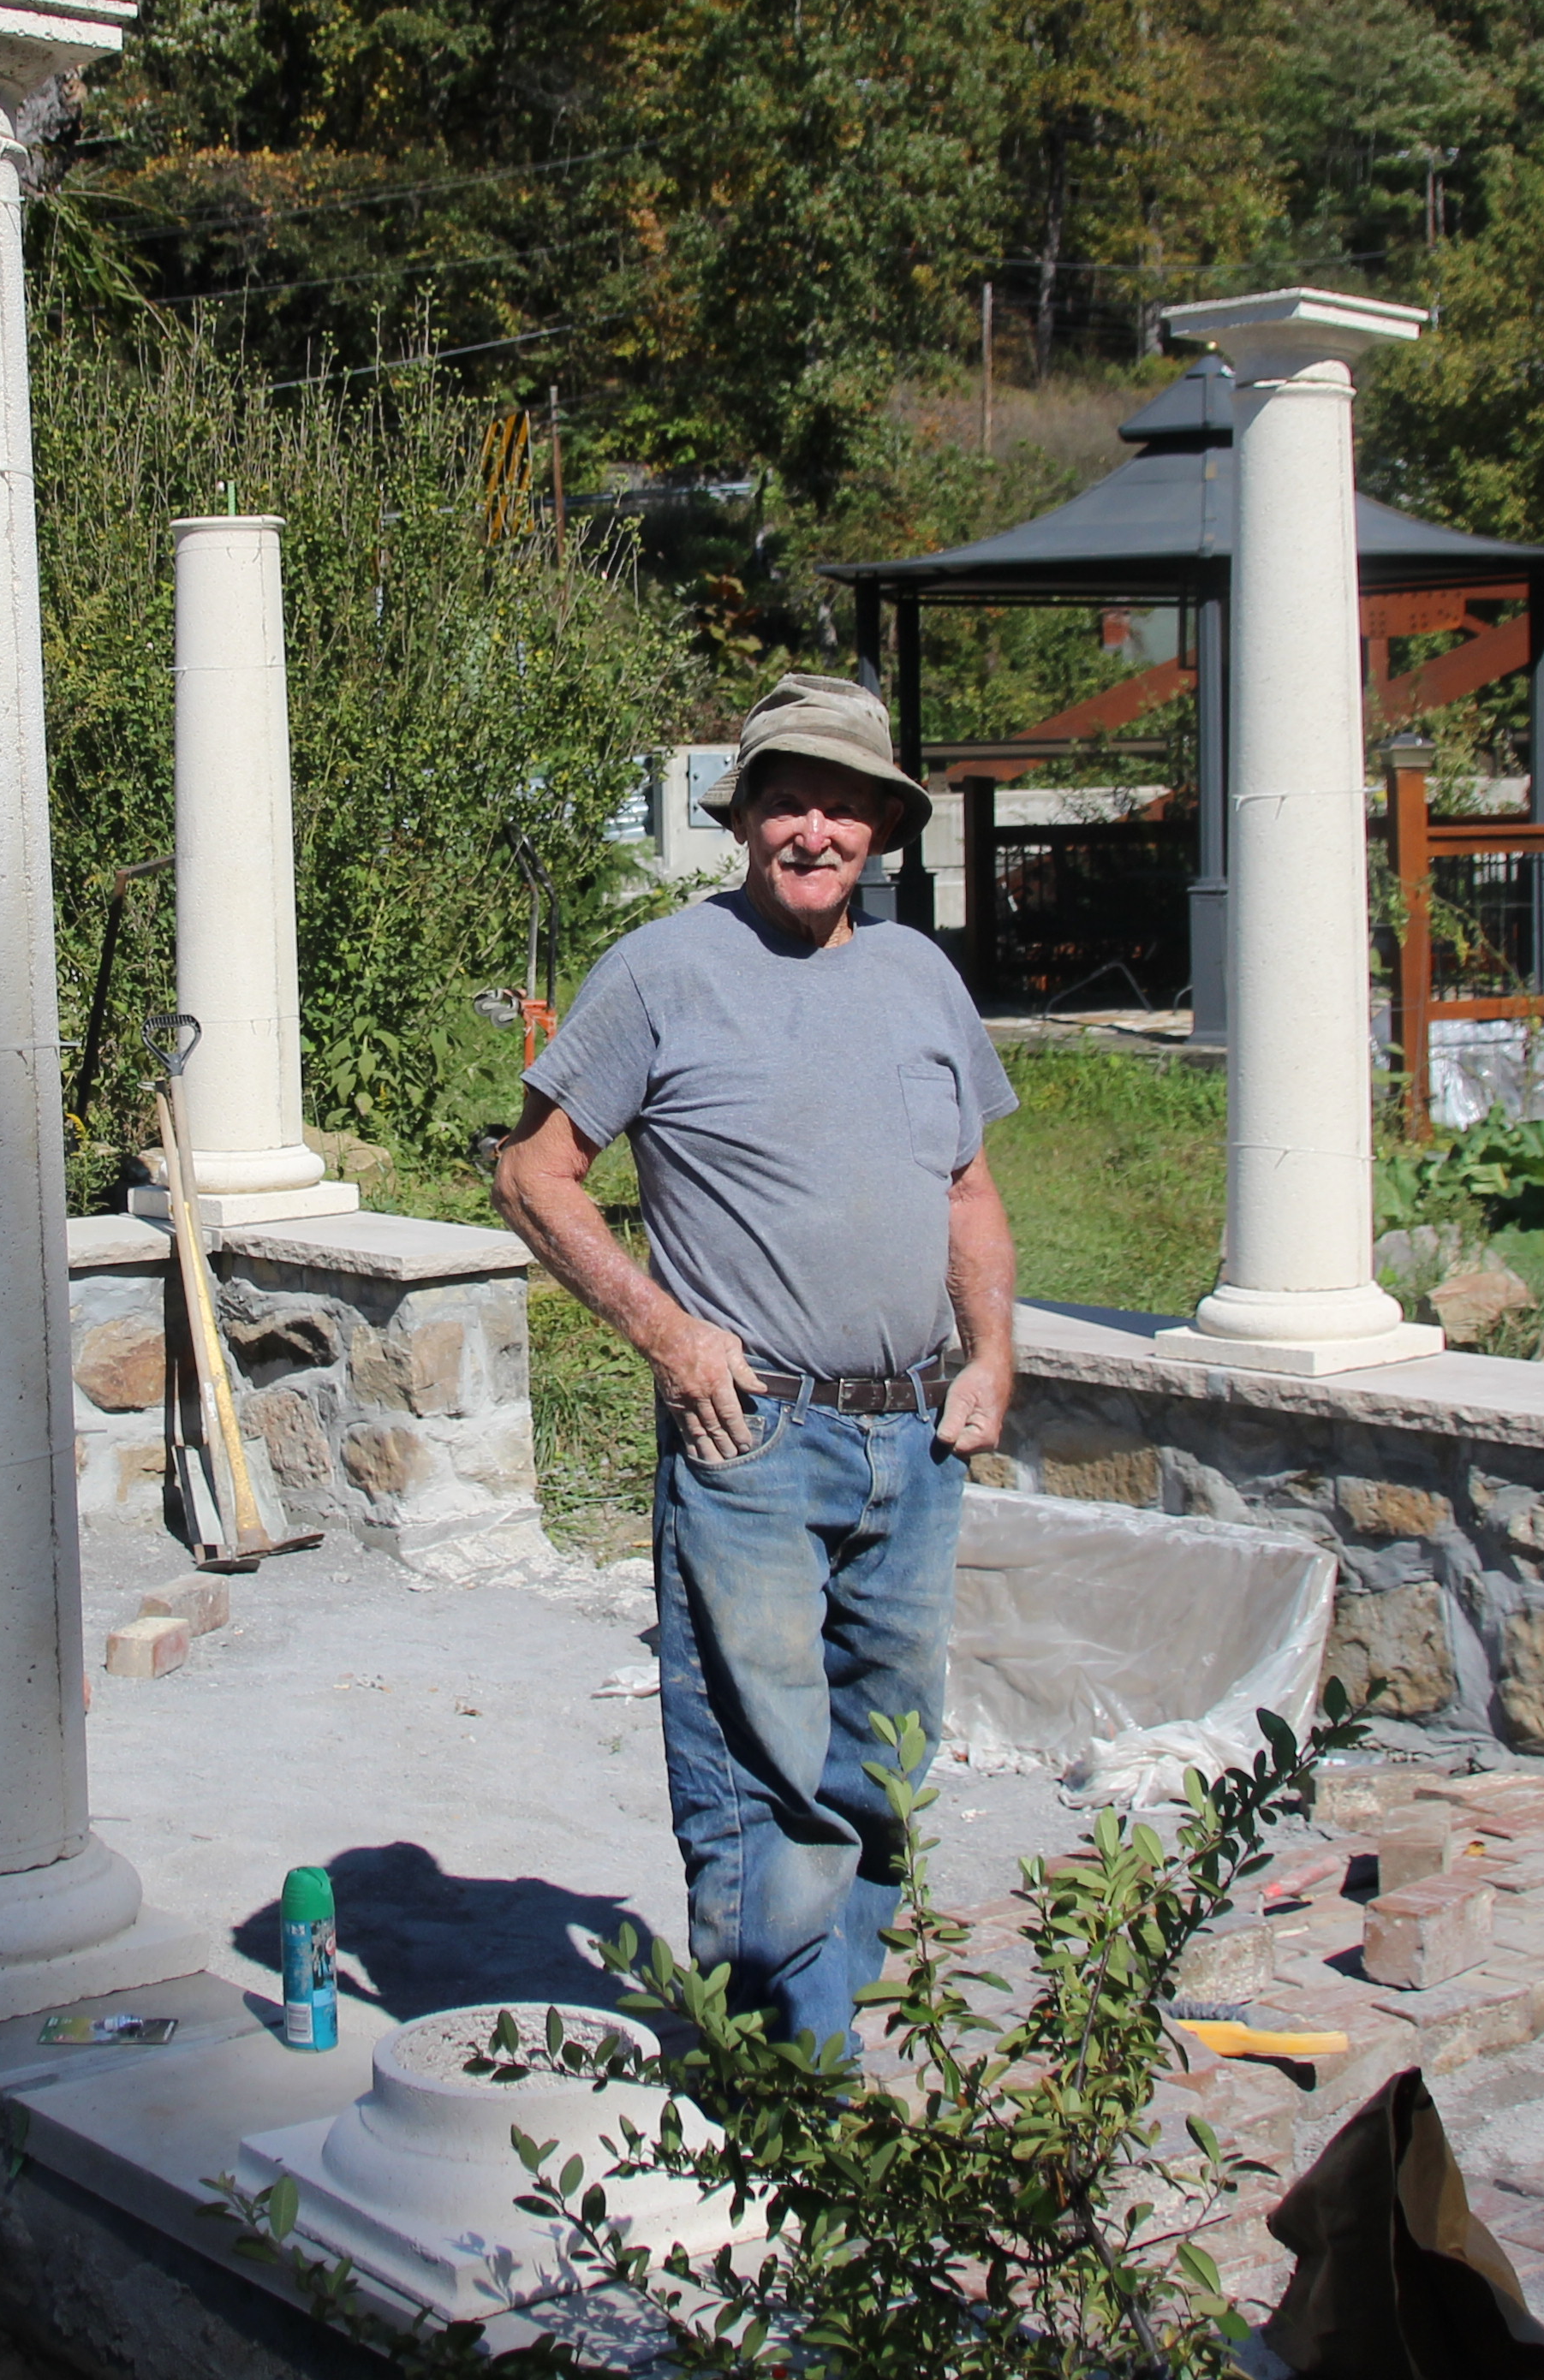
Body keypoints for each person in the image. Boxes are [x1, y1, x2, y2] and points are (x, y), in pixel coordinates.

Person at [494, 671, 1018, 2054]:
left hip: (918, 1436)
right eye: (789, 802)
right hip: (757, 1437)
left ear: (882, 827)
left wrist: (992, 1357)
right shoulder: (663, 971)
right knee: (763, 1771)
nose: (815, 831)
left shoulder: (920, 977)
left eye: (843, 807)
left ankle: (830, 2032)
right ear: (745, 821)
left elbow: (967, 1189)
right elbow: (534, 1173)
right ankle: (787, 2078)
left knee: (886, 1762)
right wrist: (666, 1331)